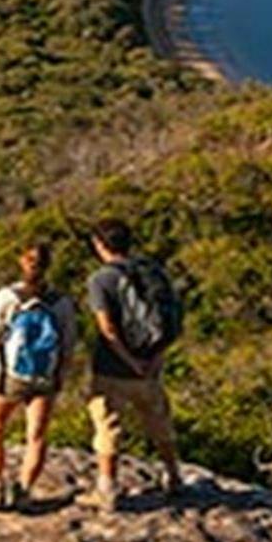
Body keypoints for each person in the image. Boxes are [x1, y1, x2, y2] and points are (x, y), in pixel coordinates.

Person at [83, 218, 184, 509]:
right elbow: (171, 320)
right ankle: (173, 476)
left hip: (112, 367)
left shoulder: (101, 280)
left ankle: (107, 488)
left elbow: (108, 328)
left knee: (107, 426)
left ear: (100, 245)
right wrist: (154, 359)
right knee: (159, 422)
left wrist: (128, 360)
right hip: (151, 365)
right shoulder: (153, 272)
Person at [0, 242, 76, 512]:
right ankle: (24, 490)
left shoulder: (7, 296)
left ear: (22, 261)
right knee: (36, 435)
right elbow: (68, 343)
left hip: (9, 375)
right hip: (44, 376)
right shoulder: (61, 302)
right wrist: (59, 375)